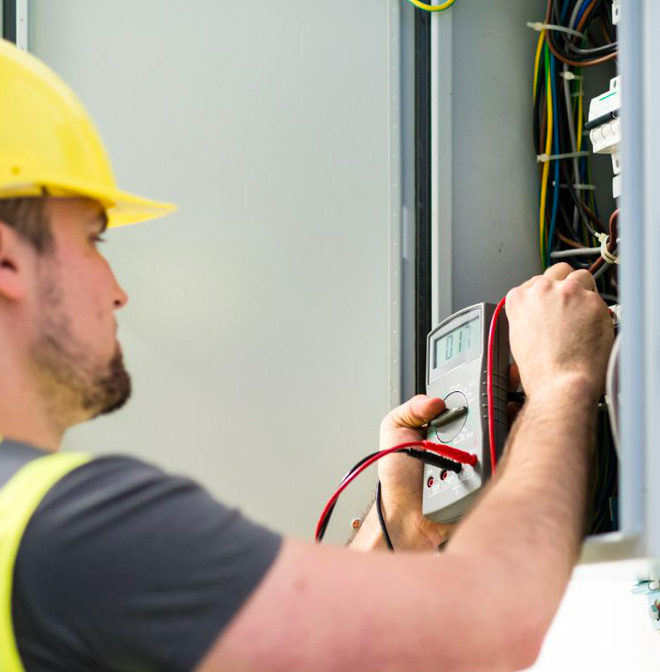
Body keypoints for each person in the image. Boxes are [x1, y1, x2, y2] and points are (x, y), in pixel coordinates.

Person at [0, 39, 614, 672]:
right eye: (93, 241)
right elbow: (487, 628)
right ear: (8, 262)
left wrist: (394, 525)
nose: (116, 289)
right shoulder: (67, 530)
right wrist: (563, 383)